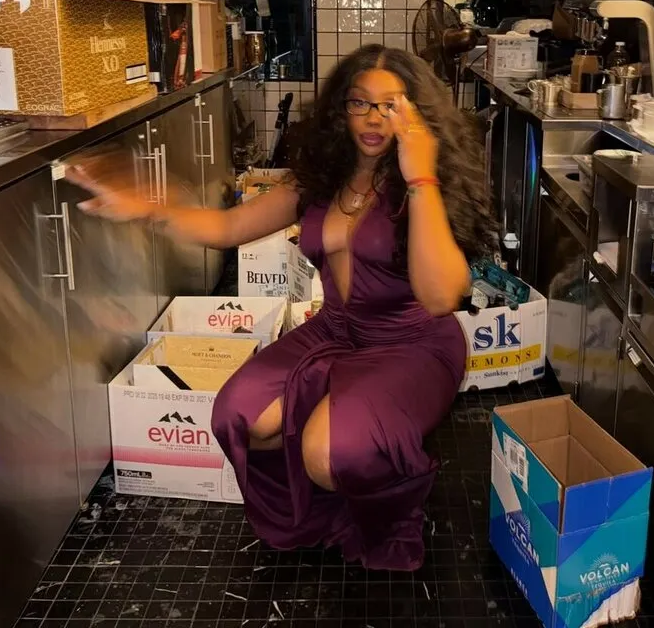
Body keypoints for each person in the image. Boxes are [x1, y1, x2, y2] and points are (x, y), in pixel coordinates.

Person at [67, 45, 496, 571]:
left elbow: (441, 297)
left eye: (391, 105)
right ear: (340, 108)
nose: (373, 117)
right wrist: (146, 208)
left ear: (416, 112)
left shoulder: (426, 185)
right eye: (359, 102)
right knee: (238, 415)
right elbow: (227, 227)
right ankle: (324, 500)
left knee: (332, 452)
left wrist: (420, 177)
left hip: (413, 344)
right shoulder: (319, 181)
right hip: (334, 331)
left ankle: (384, 502)